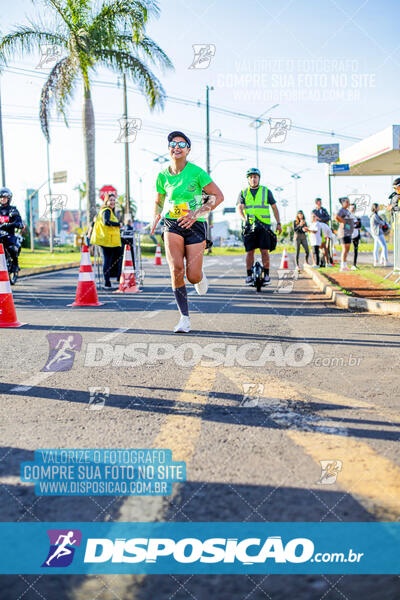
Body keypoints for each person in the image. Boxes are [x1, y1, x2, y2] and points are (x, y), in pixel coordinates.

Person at [151, 131, 224, 333]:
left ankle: (199, 276)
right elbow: (159, 200)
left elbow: (217, 196)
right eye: (173, 144)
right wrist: (156, 216)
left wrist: (196, 212)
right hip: (172, 223)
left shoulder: (197, 172)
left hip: (195, 224)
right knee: (176, 270)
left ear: (188, 150)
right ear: (168, 149)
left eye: (181, 144)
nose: (177, 147)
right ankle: (184, 318)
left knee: (191, 276)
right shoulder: (162, 175)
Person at [237, 168, 282, 285]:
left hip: (264, 226)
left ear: (259, 178)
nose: (253, 179)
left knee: (264, 251)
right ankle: (248, 276)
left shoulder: (266, 191)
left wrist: (278, 223)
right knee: (249, 251)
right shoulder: (243, 192)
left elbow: (274, 208)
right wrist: (244, 219)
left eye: (255, 177)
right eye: (251, 177)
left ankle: (266, 275)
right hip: (249, 226)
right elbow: (240, 208)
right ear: (248, 179)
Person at [90, 193, 122, 288]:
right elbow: (106, 222)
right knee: (107, 260)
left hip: (109, 240)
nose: (112, 202)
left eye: (113, 200)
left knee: (108, 260)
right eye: (110, 200)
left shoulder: (107, 211)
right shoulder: (107, 210)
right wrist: (118, 225)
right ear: (106, 201)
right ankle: (107, 282)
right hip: (106, 240)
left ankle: (108, 281)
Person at [0, 187, 23, 273]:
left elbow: (18, 220)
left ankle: (15, 264)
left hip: (9, 234)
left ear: (8, 198)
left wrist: (18, 224)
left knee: (11, 247)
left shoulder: (12, 210)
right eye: (1, 197)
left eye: (4, 197)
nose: (2, 199)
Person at [335, 197, 354, 271]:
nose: (348, 203)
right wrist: (343, 221)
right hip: (343, 232)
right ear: (343, 203)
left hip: (348, 232)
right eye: (347, 202)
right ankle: (342, 266)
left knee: (347, 249)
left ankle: (345, 265)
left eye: (348, 202)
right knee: (344, 249)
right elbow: (336, 217)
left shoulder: (347, 210)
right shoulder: (341, 210)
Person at [349, 203, 361, 270]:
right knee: (346, 249)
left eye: (354, 208)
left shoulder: (357, 216)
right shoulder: (347, 216)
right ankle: (344, 264)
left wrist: (354, 224)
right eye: (351, 208)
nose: (353, 209)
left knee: (355, 249)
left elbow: (359, 226)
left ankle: (354, 264)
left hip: (356, 234)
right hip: (349, 234)